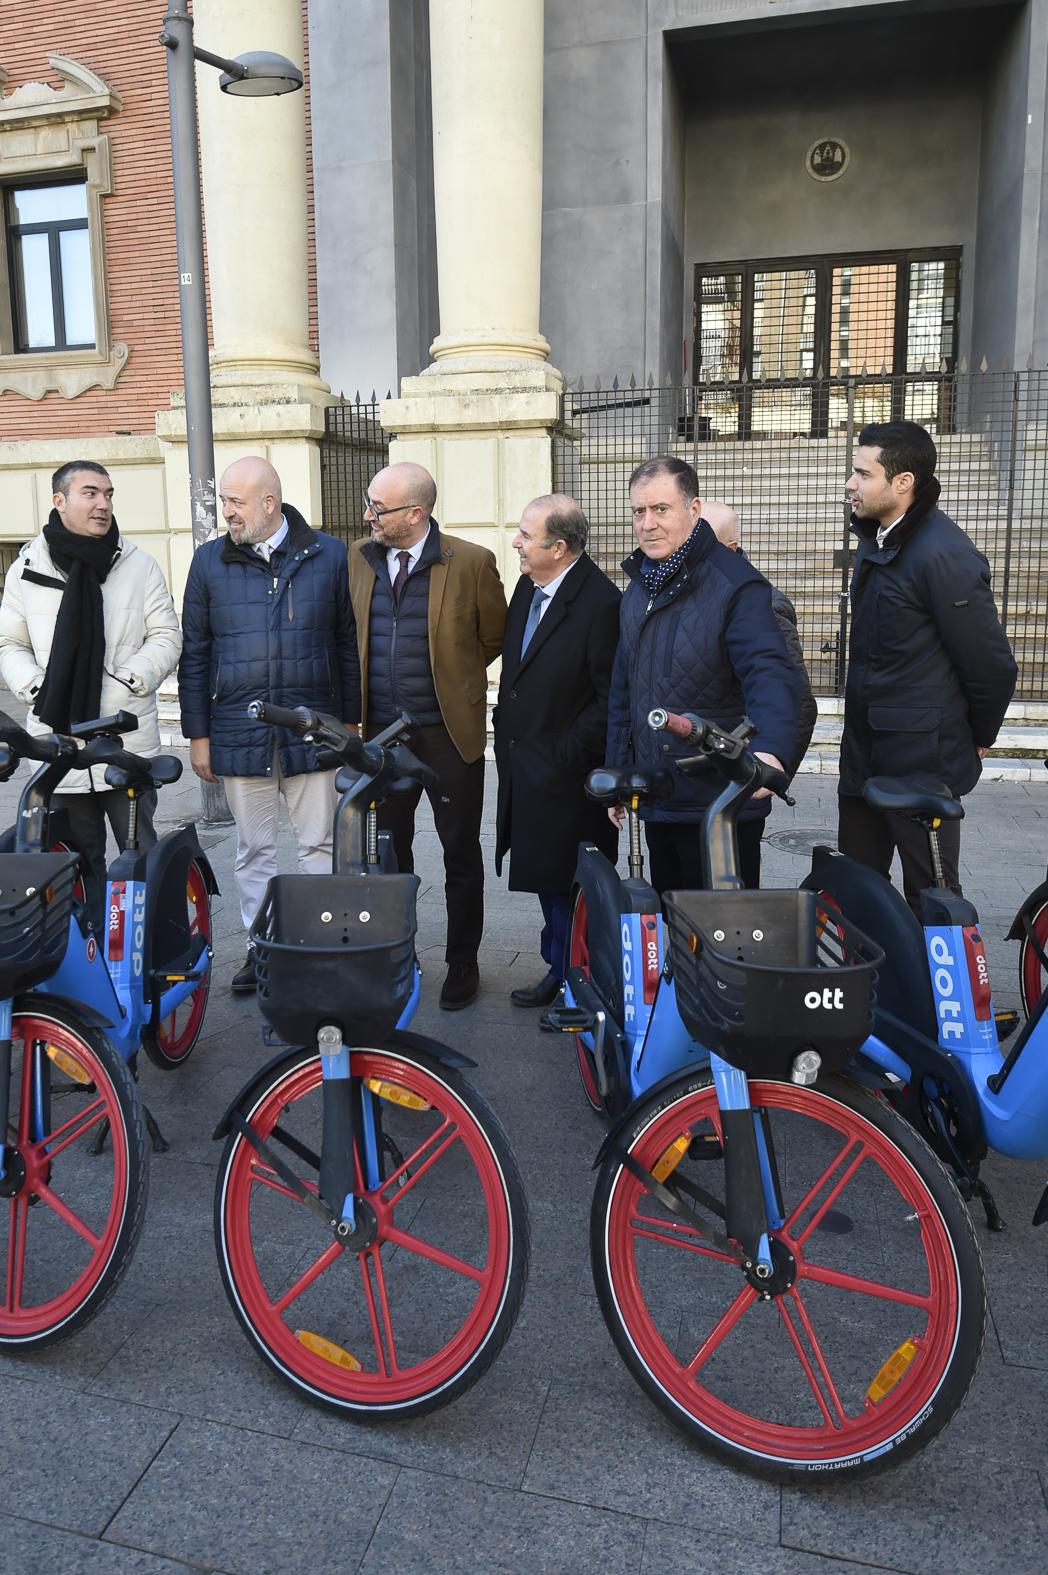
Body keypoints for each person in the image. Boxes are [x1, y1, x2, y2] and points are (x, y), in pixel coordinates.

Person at [178, 456, 361, 993]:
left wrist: (349, 724)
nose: (225, 512)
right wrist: (199, 735)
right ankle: (262, 950)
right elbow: (196, 653)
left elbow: (345, 644)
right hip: (238, 729)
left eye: (235, 502)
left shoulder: (328, 554)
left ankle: (320, 948)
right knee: (253, 849)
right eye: (224, 501)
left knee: (318, 846)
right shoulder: (208, 562)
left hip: (313, 730)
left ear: (269, 503)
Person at [839, 420, 1016, 910]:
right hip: (865, 751)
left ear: (903, 482)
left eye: (862, 474)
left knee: (933, 898)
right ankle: (875, 987)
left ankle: (944, 989)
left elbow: (991, 664)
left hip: (919, 761)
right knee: (857, 891)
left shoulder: (944, 554)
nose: (850, 484)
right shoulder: (878, 538)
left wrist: (978, 734)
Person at [349, 461, 507, 1011]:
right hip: (382, 739)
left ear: (416, 514)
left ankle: (463, 961)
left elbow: (492, 635)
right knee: (389, 852)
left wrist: (453, 680)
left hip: (447, 735)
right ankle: (400, 954)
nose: (368, 515)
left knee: (460, 851)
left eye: (379, 507)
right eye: (371, 504)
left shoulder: (470, 562)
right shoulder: (358, 559)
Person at [605, 456, 802, 894]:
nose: (647, 523)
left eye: (661, 509)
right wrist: (619, 770)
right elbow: (625, 688)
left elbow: (769, 672)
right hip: (660, 793)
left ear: (693, 511)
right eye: (639, 511)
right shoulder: (640, 587)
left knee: (725, 944)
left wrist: (769, 752)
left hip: (720, 800)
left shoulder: (736, 585)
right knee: (672, 927)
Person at [0, 460, 181, 926]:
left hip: (124, 742)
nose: (103, 504)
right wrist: (39, 687)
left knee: (139, 858)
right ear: (59, 501)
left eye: (108, 494)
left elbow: (166, 635)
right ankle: (91, 957)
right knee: (78, 864)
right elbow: (9, 643)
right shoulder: (26, 567)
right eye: (90, 493)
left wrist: (128, 679)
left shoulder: (138, 563)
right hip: (59, 741)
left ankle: (151, 953)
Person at [493, 494, 621, 1007]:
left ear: (560, 547)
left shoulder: (601, 604)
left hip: (567, 774)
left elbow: (609, 697)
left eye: (527, 535)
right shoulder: (530, 584)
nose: (517, 543)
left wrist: (566, 752)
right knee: (547, 879)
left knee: (572, 883)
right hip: (526, 762)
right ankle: (559, 966)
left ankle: (581, 986)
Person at [705, 501, 818, 782]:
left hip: (733, 776)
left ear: (730, 548)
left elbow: (801, 703)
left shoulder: (764, 605)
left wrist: (767, 772)